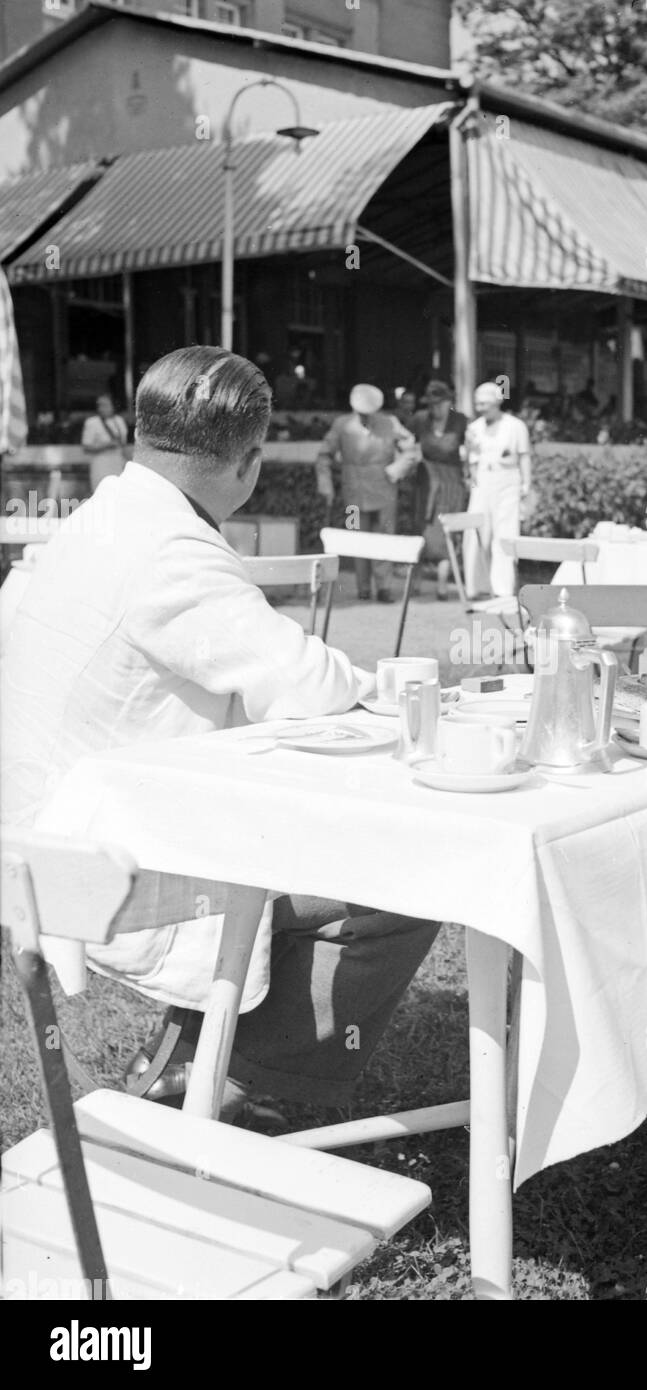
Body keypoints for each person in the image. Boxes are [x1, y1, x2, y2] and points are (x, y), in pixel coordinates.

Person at [1, 347, 439, 1119]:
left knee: (302, 843)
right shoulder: (174, 550)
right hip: (97, 869)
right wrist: (390, 688)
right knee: (410, 873)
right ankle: (249, 1085)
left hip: (34, 840)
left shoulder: (93, 520)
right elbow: (305, 683)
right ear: (250, 462)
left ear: (140, 432)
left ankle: (196, 1053)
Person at [315, 383, 420, 602]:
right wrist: (325, 484)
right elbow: (324, 455)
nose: (365, 417)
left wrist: (398, 468)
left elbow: (412, 447)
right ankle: (363, 587)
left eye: (369, 413)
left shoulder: (389, 423)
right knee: (356, 536)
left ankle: (384, 587)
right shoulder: (342, 425)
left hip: (384, 490)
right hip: (352, 492)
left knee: (384, 536)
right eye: (361, 413)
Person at [463, 381, 533, 599]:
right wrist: (474, 484)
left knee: (505, 533)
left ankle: (502, 588)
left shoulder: (515, 426)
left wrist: (526, 484)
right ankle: (476, 586)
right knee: (475, 532)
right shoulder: (474, 428)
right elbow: (472, 461)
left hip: (508, 481)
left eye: (485, 403)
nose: (481, 408)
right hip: (483, 481)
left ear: (497, 402)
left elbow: (524, 456)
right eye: (478, 404)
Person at [412, 380, 469, 600]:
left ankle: (443, 585)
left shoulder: (461, 421)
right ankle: (415, 581)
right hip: (425, 481)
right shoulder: (419, 419)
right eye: (431, 404)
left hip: (451, 483)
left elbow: (474, 449)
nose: (435, 409)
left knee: (446, 531)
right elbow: (405, 441)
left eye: (440, 404)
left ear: (449, 402)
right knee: (422, 529)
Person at [81, 392, 128, 491]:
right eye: (99, 405)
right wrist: (106, 445)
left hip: (117, 465)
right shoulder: (92, 422)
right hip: (100, 466)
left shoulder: (119, 421)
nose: (101, 408)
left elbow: (123, 444)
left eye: (105, 405)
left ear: (113, 406)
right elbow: (86, 447)